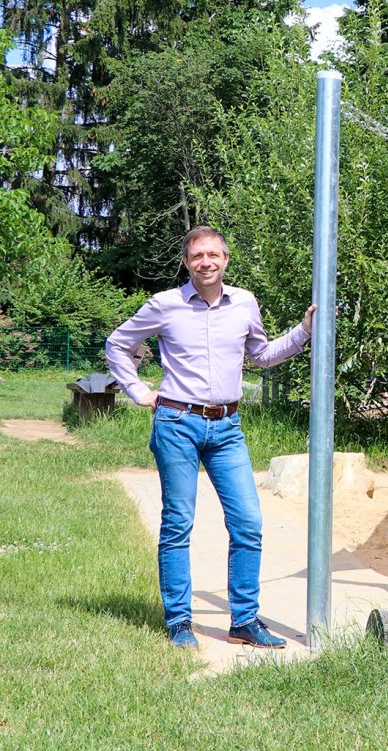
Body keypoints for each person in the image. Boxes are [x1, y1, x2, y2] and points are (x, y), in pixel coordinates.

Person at [104, 225, 315, 650]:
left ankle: (244, 621)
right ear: (186, 262)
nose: (206, 262)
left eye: (213, 255)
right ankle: (180, 621)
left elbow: (260, 355)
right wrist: (140, 391)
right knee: (179, 524)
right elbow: (117, 343)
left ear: (225, 259)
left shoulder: (244, 303)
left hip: (227, 429)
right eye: (197, 256)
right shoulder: (165, 305)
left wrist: (304, 331)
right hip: (176, 425)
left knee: (248, 523)